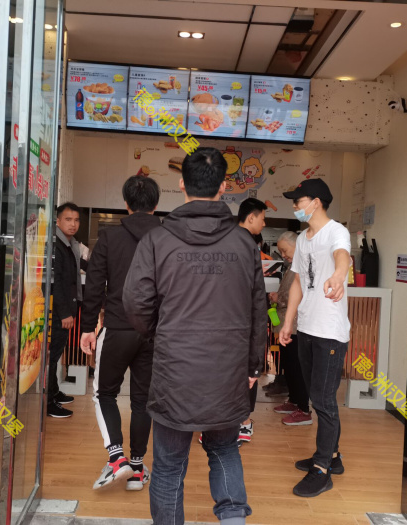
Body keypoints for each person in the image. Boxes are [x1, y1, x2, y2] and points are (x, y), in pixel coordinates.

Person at [123, 147, 266, 525]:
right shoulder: (245, 245)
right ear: (223, 187)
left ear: (182, 184)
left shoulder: (157, 241)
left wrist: (162, 335)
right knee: (224, 451)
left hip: (175, 371)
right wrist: (253, 366)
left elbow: (135, 304)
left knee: (169, 466)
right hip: (228, 371)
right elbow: (258, 311)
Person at [80, 175, 162, 491]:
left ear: (126, 204)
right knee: (143, 400)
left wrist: (88, 327)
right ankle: (137, 468)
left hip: (116, 328)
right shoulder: (168, 237)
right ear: (156, 204)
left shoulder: (109, 238)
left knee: (104, 393)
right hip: (155, 333)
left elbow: (94, 285)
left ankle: (117, 458)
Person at [279, 178, 351, 498]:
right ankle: (332, 456)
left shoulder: (336, 232)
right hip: (307, 328)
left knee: (324, 401)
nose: (295, 206)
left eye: (299, 200)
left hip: (329, 332)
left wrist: (338, 275)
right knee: (316, 397)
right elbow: (297, 283)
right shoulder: (302, 238)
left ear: (316, 202)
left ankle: (322, 470)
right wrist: (289, 322)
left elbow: (342, 256)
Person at [48, 202, 87, 418]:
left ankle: (53, 392)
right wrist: (64, 313)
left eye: (76, 220)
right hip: (57, 312)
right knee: (51, 357)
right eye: (68, 219)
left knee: (55, 355)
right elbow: (55, 282)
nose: (73, 224)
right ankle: (48, 403)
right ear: (58, 221)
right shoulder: (56, 245)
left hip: (64, 309)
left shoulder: (69, 244)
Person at [269, 231, 312, 426]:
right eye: (281, 252)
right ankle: (294, 401)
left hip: (296, 326)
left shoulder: (304, 264)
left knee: (297, 368)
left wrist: (279, 297)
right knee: (289, 365)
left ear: (297, 245)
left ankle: (303, 409)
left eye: (285, 250)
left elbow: (299, 294)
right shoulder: (293, 265)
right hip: (287, 326)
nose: (283, 255)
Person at [235, 197, 268, 445]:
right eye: (262, 219)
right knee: (248, 368)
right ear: (251, 217)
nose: (264, 223)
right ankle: (244, 422)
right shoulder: (247, 244)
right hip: (244, 319)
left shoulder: (227, 238)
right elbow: (256, 294)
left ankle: (238, 422)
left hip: (230, 319)